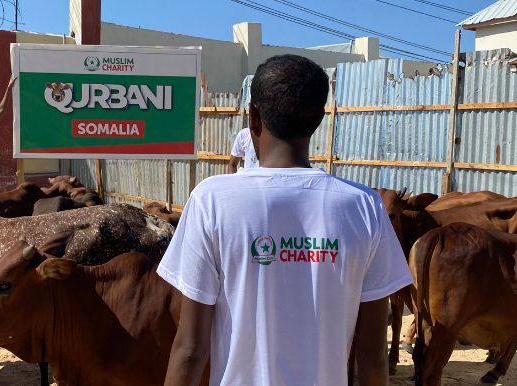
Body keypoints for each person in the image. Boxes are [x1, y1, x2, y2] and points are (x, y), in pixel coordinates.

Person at [157, 55, 412, 386]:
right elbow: (372, 355)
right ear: (320, 118)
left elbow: (190, 349)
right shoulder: (364, 207)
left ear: (253, 117)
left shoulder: (211, 200)